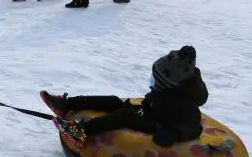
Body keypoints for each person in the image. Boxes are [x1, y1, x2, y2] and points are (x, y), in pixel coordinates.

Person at [43, 45, 208, 150]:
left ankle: (80, 132)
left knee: (124, 116)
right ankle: (67, 104)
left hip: (159, 124)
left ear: (165, 83)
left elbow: (194, 125)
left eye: (155, 79)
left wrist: (175, 134)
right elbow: (160, 100)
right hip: (152, 111)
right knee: (116, 101)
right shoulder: (172, 88)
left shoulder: (184, 104)